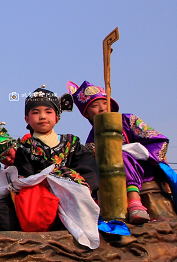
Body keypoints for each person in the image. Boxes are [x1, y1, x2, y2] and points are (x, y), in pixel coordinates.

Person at [0, 87, 100, 238]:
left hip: (68, 195)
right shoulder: (25, 149)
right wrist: (40, 182)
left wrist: (57, 180)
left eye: (48, 111)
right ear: (27, 119)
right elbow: (24, 176)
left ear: (57, 117)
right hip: (37, 197)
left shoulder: (72, 143)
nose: (42, 116)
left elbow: (89, 171)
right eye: (35, 112)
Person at [65, 80, 170, 224]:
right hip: (111, 181)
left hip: (143, 168)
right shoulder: (91, 140)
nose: (102, 109)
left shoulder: (128, 120)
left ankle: (135, 202)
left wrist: (137, 151)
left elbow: (158, 140)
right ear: (87, 114)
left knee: (120, 155)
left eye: (104, 103)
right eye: (94, 106)